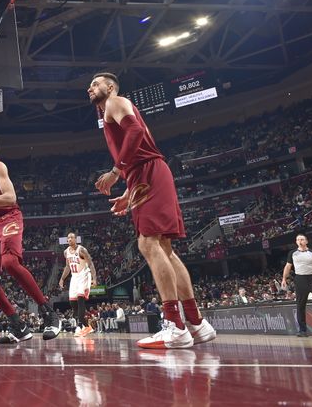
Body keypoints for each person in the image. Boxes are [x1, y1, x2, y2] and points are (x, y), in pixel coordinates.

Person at [89, 72, 216, 349]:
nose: (91, 87)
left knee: (148, 243)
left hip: (146, 172)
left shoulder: (114, 101)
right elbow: (142, 145)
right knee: (165, 248)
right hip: (146, 173)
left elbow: (135, 133)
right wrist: (128, 191)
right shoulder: (115, 108)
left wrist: (115, 171)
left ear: (110, 87)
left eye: (96, 83)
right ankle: (196, 323)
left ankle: (175, 324)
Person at [0, 130, 62, 343]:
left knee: (9, 262)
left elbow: (10, 198)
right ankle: (18, 324)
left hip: (9, 218)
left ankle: (49, 313)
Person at [281, 233, 312, 337]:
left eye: (302, 239)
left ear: (306, 241)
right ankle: (303, 330)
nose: (300, 241)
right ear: (296, 242)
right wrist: (284, 279)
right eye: (298, 239)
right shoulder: (292, 253)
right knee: (300, 306)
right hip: (300, 279)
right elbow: (287, 266)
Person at [59, 232, 97, 337]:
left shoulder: (82, 250)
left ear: (76, 239)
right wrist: (62, 279)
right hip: (74, 277)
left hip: (84, 275)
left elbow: (90, 263)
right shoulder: (66, 252)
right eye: (68, 238)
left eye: (72, 237)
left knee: (80, 299)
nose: (69, 239)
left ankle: (80, 326)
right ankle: (87, 326)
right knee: (72, 303)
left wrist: (94, 278)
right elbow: (67, 267)